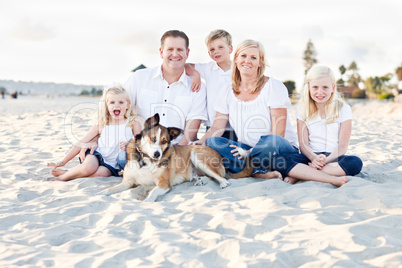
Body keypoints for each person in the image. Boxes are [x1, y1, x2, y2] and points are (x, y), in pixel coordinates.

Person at [191, 39, 298, 179]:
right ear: (236, 59)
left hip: (276, 147)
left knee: (272, 140)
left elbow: (279, 132)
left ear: (260, 63)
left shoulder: (273, 86)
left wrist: (250, 152)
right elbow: (217, 126)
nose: (247, 61)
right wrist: (203, 140)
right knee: (213, 142)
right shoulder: (227, 91)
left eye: (253, 58)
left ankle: (251, 169)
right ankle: (257, 170)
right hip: (245, 148)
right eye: (243, 56)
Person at [272, 65, 362, 186]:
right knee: (279, 161)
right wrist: (314, 158)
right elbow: (303, 144)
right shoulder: (303, 109)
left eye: (325, 87)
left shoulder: (343, 109)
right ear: (308, 88)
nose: (320, 92)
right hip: (310, 157)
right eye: (315, 87)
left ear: (333, 88)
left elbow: (343, 146)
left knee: (355, 163)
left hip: (333, 158)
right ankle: (324, 177)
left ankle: (301, 175)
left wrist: (325, 160)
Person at [124, 30, 207, 146]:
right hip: (142, 147)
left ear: (187, 53)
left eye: (180, 50)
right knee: (123, 158)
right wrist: (91, 139)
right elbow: (112, 108)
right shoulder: (139, 78)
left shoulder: (198, 87)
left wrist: (174, 157)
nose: (175, 54)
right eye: (170, 49)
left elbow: (191, 130)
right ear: (161, 52)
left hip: (176, 148)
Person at [47, 85, 140, 181]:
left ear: (128, 104)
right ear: (107, 105)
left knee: (101, 174)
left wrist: (130, 144)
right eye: (112, 102)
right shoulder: (102, 124)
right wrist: (63, 161)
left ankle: (68, 173)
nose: (116, 105)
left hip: (112, 165)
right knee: (88, 168)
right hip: (96, 155)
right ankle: (61, 178)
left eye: (121, 102)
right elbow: (80, 143)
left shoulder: (133, 123)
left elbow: (141, 144)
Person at [185, 29, 237, 141]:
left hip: (236, 127)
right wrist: (195, 73)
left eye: (220, 47)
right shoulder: (208, 68)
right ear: (209, 53)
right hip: (213, 126)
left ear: (230, 49)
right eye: (212, 49)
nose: (216, 51)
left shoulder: (239, 68)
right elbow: (185, 65)